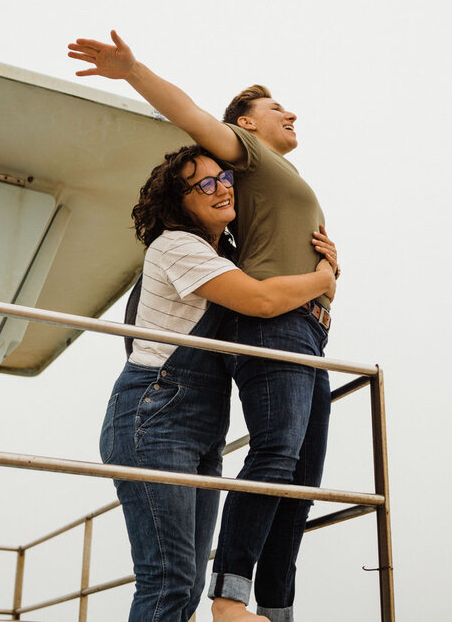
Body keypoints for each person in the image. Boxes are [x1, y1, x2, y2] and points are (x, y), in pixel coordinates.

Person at [71, 31, 338, 622]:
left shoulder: (224, 254)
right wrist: (132, 71)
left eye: (224, 182)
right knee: (169, 584)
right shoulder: (178, 246)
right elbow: (264, 301)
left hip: (201, 418)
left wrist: (323, 275)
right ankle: (235, 600)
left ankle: (252, 602)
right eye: (205, 184)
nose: (222, 187)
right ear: (244, 124)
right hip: (155, 412)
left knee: (182, 585)